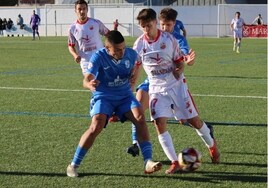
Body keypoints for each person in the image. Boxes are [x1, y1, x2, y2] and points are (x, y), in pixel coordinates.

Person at [132, 8, 220, 174]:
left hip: (176, 86)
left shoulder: (170, 40)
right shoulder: (139, 44)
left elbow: (180, 62)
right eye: (142, 27)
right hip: (156, 88)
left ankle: (212, 145)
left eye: (148, 25)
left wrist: (180, 68)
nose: (146, 29)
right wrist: (130, 85)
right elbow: (135, 67)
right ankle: (175, 162)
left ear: (154, 23)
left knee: (193, 120)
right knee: (158, 122)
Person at [66, 30, 162, 177]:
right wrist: (90, 84)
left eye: (122, 48)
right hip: (104, 96)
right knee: (96, 125)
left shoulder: (130, 53)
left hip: (125, 96)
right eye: (116, 50)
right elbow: (86, 79)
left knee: (140, 118)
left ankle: (148, 161)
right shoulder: (99, 56)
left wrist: (133, 79)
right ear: (107, 49)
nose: (121, 52)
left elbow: (138, 63)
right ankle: (73, 165)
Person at [68, 0, 109, 75]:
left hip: (100, 58)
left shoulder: (96, 23)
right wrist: (75, 55)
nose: (82, 11)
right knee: (91, 83)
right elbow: (71, 46)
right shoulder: (72, 28)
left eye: (84, 9)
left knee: (102, 82)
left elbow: (109, 34)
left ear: (87, 10)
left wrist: (109, 46)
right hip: (85, 61)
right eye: (79, 9)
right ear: (75, 11)